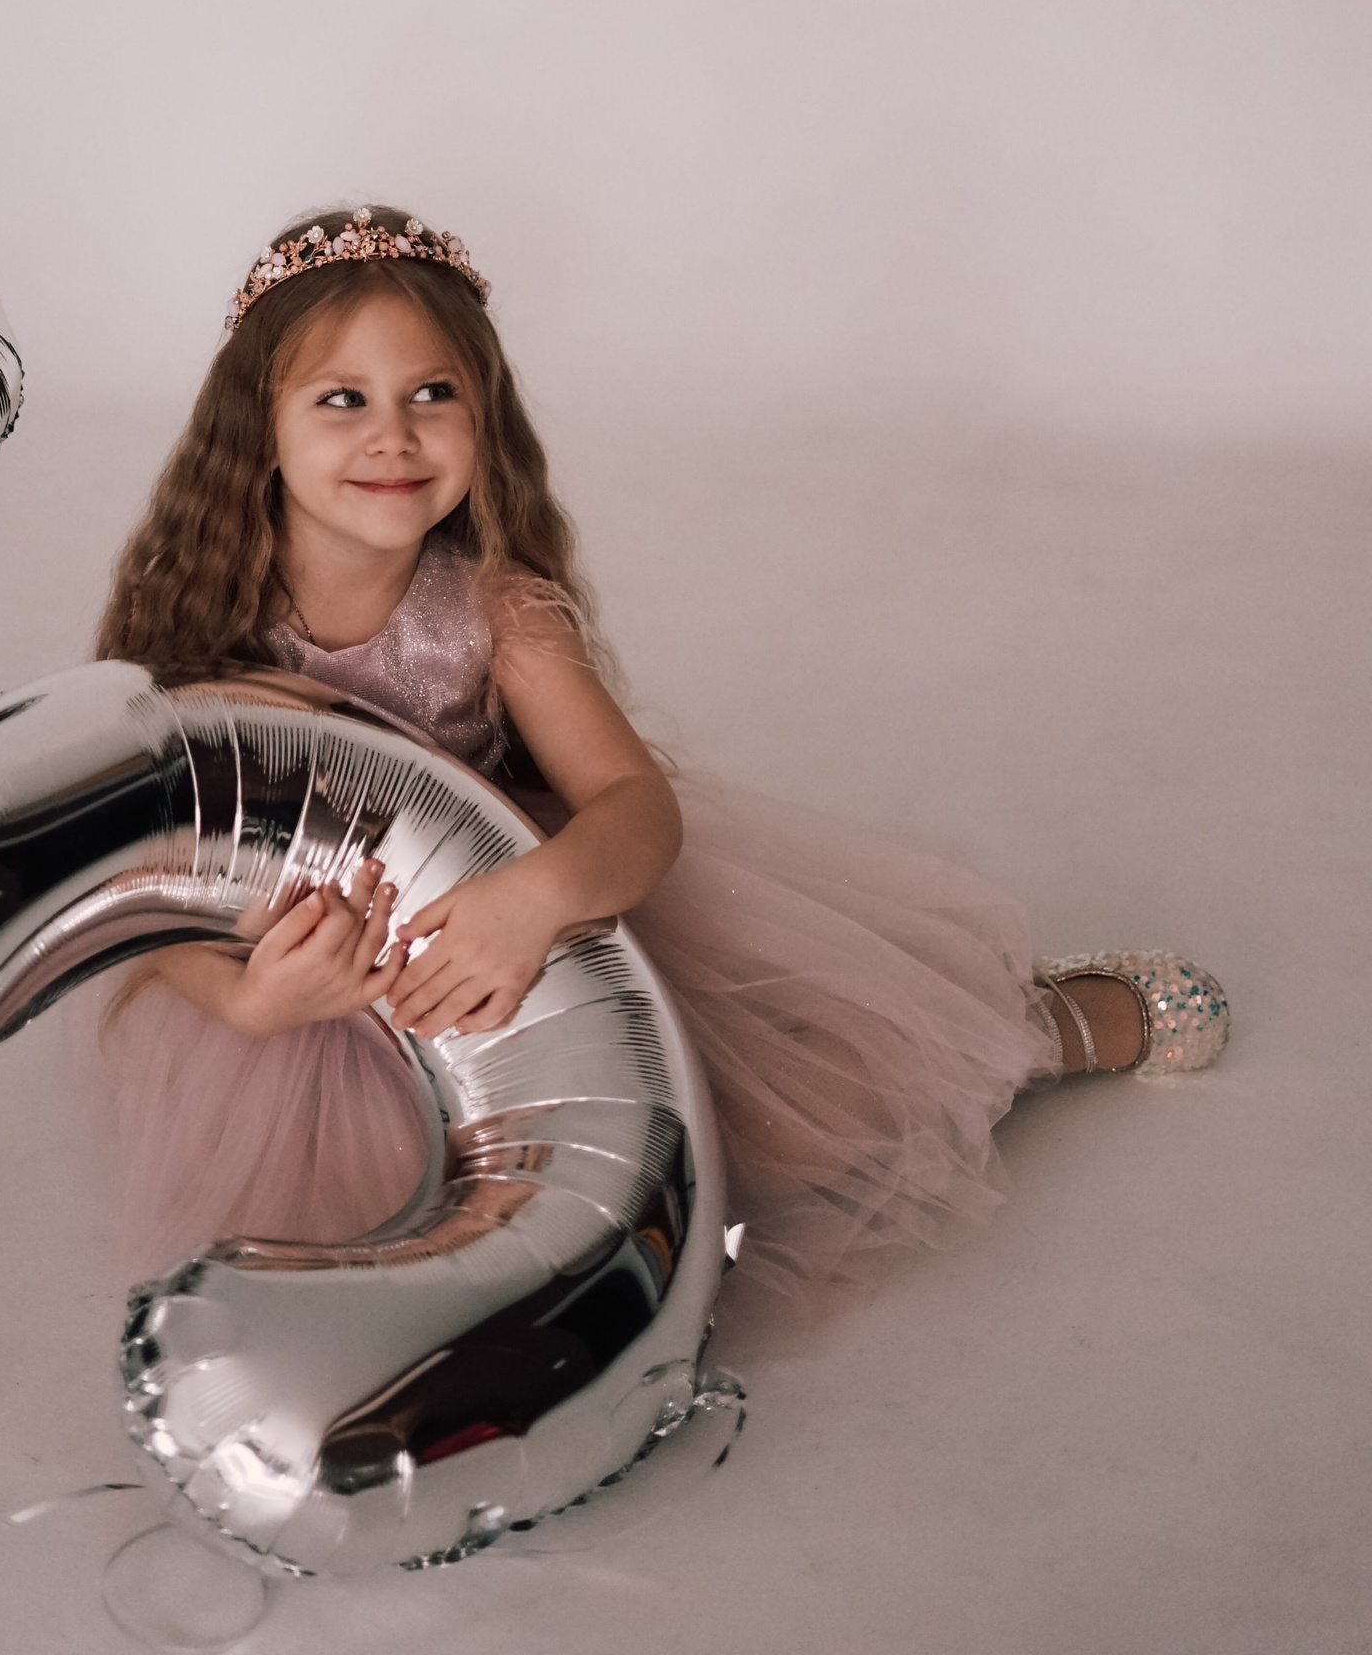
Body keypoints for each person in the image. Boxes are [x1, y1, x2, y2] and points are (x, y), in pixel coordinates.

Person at [89, 206, 1228, 1325]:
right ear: (258, 428)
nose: (393, 436)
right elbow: (137, 884)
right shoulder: (200, 633)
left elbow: (635, 808)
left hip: (520, 946)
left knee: (789, 1131)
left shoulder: (495, 610)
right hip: (316, 992)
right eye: (342, 399)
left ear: (486, 418)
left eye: (433, 394)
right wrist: (249, 1000)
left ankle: (1020, 1033)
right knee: (366, 1226)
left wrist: (535, 899)